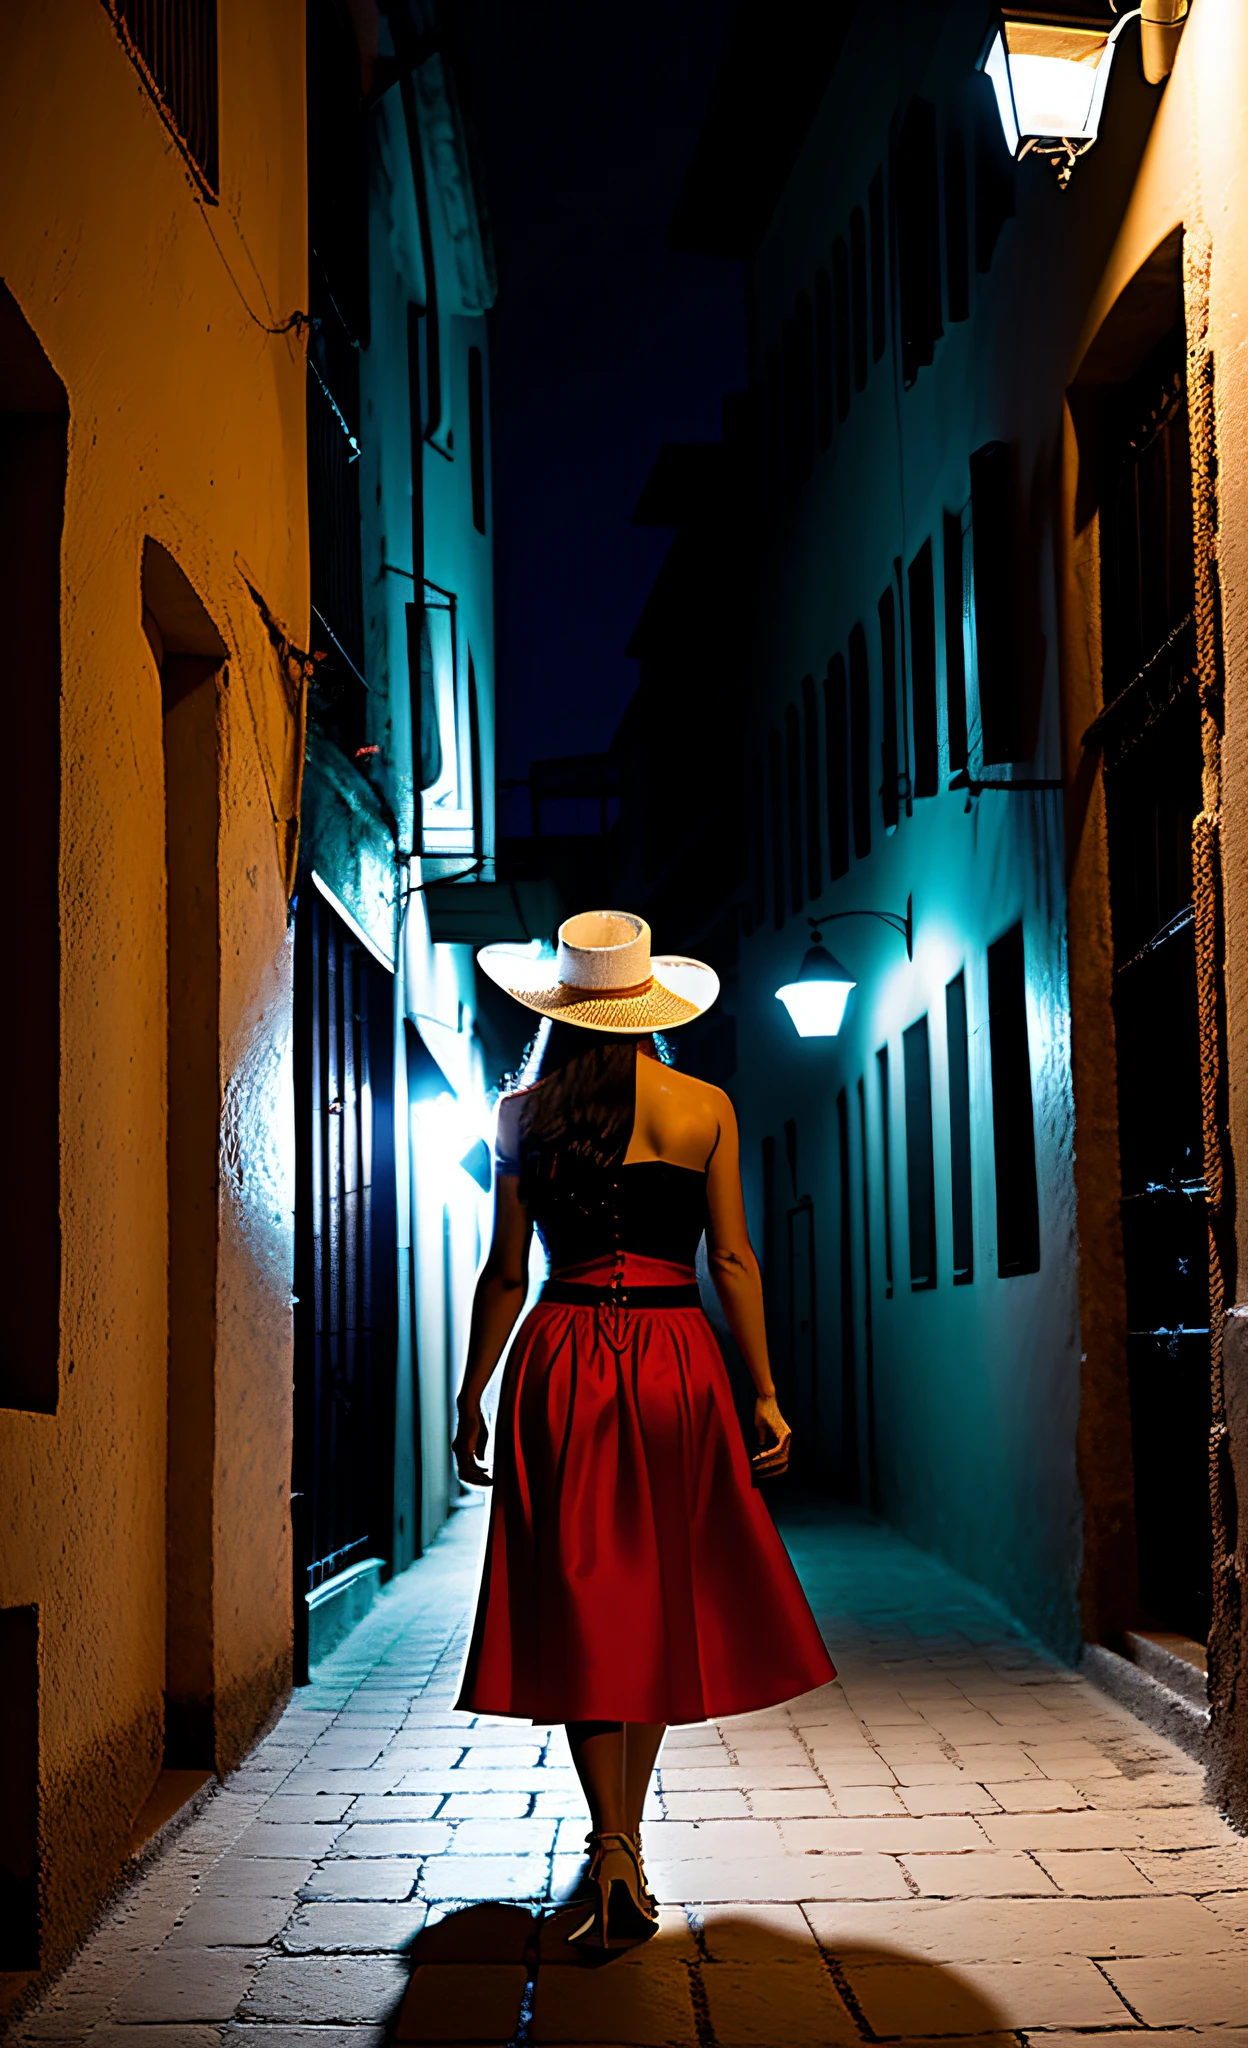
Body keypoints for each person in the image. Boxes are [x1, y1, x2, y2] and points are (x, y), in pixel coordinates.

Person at [452, 911, 835, 1949]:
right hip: (675, 1359)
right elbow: (734, 1260)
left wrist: (471, 1389)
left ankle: (610, 1835)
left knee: (582, 1594)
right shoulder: (704, 1104)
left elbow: (504, 1270)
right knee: (660, 1589)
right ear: (648, 1005)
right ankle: (627, 1842)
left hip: (562, 1353)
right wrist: (763, 1389)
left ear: (563, 1011)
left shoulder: (520, 1115)